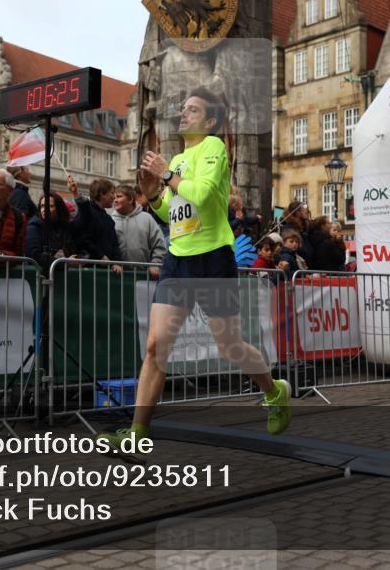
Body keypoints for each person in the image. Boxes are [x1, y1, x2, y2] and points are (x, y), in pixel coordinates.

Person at [97, 87, 290, 451]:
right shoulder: (180, 160)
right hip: (177, 259)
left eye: (193, 110)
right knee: (155, 347)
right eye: (183, 109)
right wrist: (153, 194)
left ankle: (273, 391)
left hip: (212, 258)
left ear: (211, 121)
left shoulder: (213, 148)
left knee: (230, 345)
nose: (183, 115)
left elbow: (200, 195)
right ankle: (137, 434)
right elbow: (171, 212)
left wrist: (165, 173)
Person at [108, 184, 166, 279]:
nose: (115, 200)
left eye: (119, 196)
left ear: (130, 200)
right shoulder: (110, 220)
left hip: (143, 276)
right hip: (116, 277)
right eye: (114, 197)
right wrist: (112, 264)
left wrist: (155, 263)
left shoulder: (147, 219)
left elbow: (159, 245)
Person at [67, 176, 121, 264]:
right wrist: (100, 256)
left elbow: (114, 244)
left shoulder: (109, 219)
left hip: (107, 268)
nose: (114, 197)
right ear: (102, 194)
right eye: (112, 193)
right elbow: (82, 239)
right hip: (90, 267)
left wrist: (117, 263)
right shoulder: (87, 211)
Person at [26, 192, 80, 270]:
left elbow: (72, 250)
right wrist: (65, 263)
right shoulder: (34, 226)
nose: (45, 209)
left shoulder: (64, 228)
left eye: (50, 206)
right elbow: (34, 254)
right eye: (42, 206)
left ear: (59, 209)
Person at [282, 201, 312, 268]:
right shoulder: (289, 228)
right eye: (304, 209)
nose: (306, 211)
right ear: (298, 213)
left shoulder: (303, 228)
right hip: (297, 265)